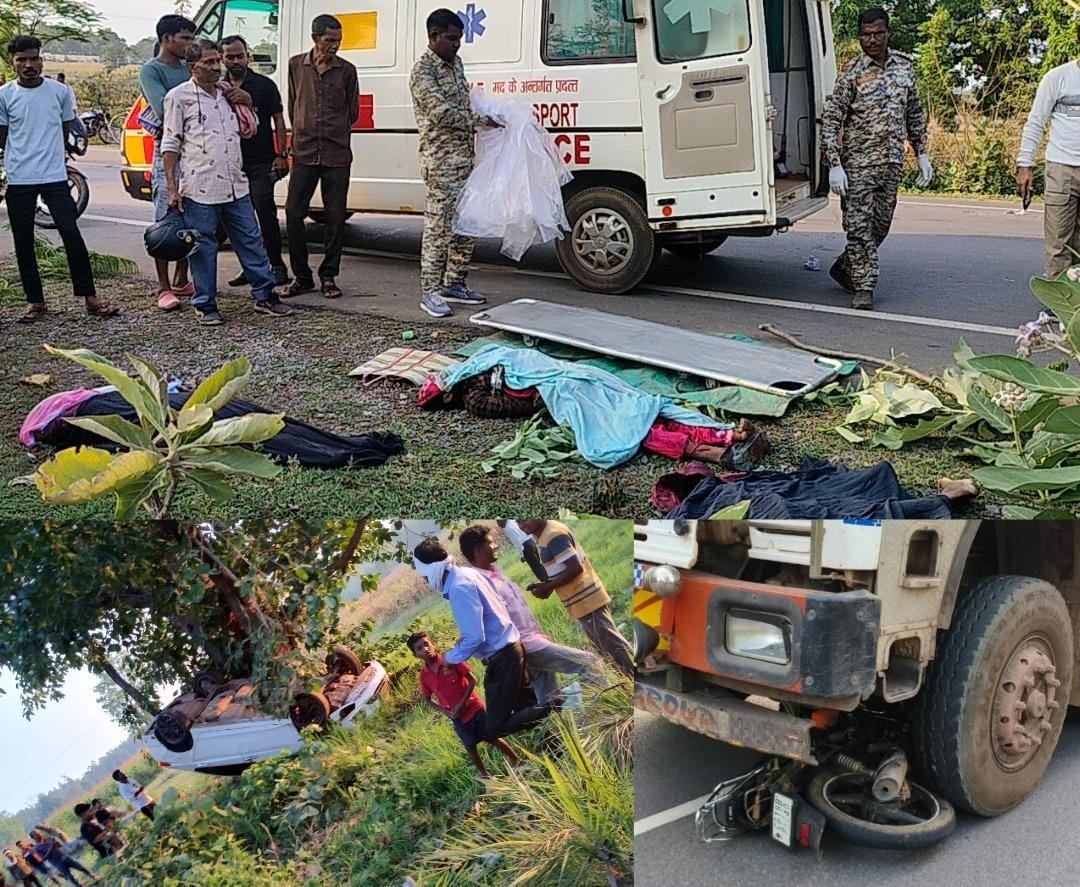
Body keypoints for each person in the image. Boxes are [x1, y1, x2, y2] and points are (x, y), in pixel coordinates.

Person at [162, 39, 294, 325]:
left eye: (216, 61)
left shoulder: (227, 94)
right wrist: (172, 188)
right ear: (192, 66)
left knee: (250, 239)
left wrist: (247, 103)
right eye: (208, 62)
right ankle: (205, 304)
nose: (215, 67)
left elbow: (250, 128)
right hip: (200, 187)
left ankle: (265, 296)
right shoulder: (179, 97)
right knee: (203, 246)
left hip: (236, 183)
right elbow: (170, 144)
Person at [0, 35, 118, 324]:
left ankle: (90, 297)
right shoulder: (5, 95)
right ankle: (35, 301)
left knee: (71, 233)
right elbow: (2, 138)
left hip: (54, 176)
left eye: (34, 58)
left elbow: (67, 129)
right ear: (13, 63)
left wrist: (63, 156)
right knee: (23, 240)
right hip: (20, 179)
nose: (29, 65)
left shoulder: (59, 91)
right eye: (22, 60)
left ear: (41, 60)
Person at [821, 8, 932, 311]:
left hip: (891, 163)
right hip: (857, 165)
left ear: (887, 33)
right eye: (866, 35)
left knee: (879, 227)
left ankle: (846, 267)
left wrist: (922, 153)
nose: (872, 40)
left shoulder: (905, 67)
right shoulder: (852, 72)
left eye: (878, 33)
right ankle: (865, 287)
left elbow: (914, 114)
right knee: (858, 228)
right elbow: (832, 119)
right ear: (859, 37)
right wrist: (834, 164)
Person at [412, 539, 551, 740]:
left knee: (495, 726)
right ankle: (557, 749)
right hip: (511, 648)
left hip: (502, 658)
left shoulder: (459, 587)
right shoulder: (468, 573)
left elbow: (475, 637)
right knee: (529, 711)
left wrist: (449, 658)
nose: (425, 581)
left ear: (432, 570)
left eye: (424, 576)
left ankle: (561, 701)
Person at [459, 524, 606, 704]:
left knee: (549, 697)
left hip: (533, 640)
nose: (496, 545)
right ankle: (603, 714)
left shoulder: (495, 573)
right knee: (589, 663)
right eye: (490, 542)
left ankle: (557, 722)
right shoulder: (479, 584)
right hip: (527, 645)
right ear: (479, 551)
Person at [409, 9, 494, 318]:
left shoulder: (455, 64)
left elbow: (463, 103)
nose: (457, 44)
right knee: (439, 227)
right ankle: (430, 291)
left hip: (464, 159)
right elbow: (442, 113)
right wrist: (481, 121)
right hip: (441, 163)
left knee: (465, 224)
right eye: (451, 38)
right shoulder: (423, 72)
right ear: (434, 36)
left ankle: (454, 283)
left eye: (459, 39)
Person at [276, 15, 359, 301]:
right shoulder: (296, 65)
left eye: (338, 41)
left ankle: (329, 276)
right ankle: (301, 276)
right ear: (315, 38)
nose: (334, 46)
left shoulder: (347, 71)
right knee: (293, 213)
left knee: (335, 217)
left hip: (337, 154)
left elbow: (353, 112)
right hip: (304, 152)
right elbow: (293, 104)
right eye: (329, 40)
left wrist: (333, 128)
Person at [517, 520, 634, 678]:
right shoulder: (543, 534)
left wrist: (549, 587)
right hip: (581, 600)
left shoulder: (553, 535)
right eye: (517, 522)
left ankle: (634, 679)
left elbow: (575, 567)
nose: (521, 525)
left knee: (612, 645)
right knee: (606, 645)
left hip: (586, 598)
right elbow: (564, 567)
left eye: (524, 519)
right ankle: (628, 679)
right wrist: (548, 585)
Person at [221, 34, 290, 288]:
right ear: (222, 58)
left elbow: (279, 120)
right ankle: (250, 267)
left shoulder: (264, 85)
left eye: (240, 56)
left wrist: (282, 155)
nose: (236, 61)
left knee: (265, 213)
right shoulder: (218, 88)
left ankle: (277, 266)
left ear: (247, 56)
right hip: (230, 162)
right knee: (239, 219)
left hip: (261, 161)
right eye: (230, 56)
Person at [139, 14, 197, 311]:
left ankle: (181, 279)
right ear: (166, 39)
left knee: (189, 219)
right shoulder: (152, 70)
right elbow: (165, 111)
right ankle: (163, 287)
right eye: (185, 38)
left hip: (196, 153)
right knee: (165, 220)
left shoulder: (190, 67)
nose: (190, 44)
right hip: (169, 154)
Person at [408, 630, 519, 779]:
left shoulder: (451, 659)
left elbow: (472, 680)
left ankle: (517, 761)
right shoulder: (424, 676)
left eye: (426, 644)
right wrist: (446, 711)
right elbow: (427, 700)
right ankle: (487, 778)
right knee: (470, 748)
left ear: (432, 644)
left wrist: (462, 703)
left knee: (492, 738)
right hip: (457, 718)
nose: (425, 649)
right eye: (419, 648)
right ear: (415, 655)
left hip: (475, 709)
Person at [1017, 51, 1080, 279]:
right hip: (1062, 171)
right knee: (1058, 245)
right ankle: (1060, 298)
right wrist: (1025, 165)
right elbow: (1036, 122)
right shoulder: (1057, 78)